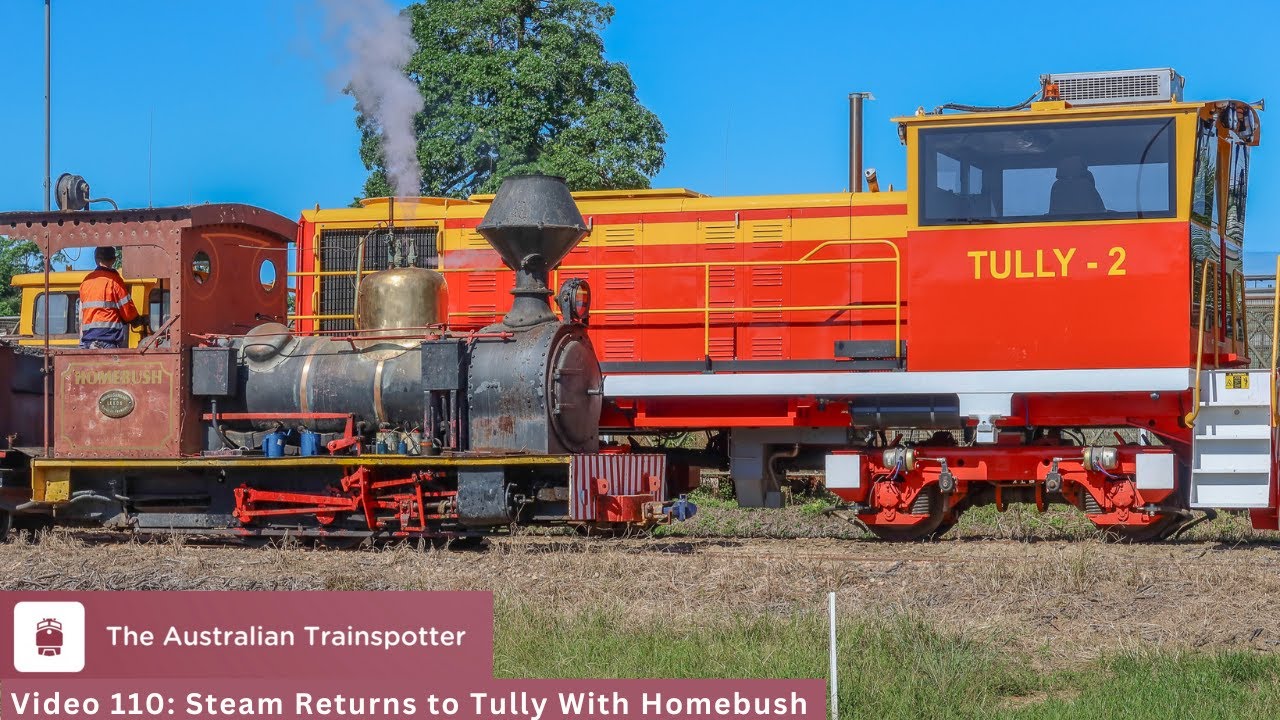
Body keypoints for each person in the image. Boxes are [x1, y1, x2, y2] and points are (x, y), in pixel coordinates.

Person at [78, 247, 142, 349]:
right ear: (114, 260)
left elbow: (81, 313)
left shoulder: (86, 281)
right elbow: (128, 312)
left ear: (96, 259)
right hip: (108, 340)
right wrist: (137, 321)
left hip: (88, 341)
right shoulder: (115, 281)